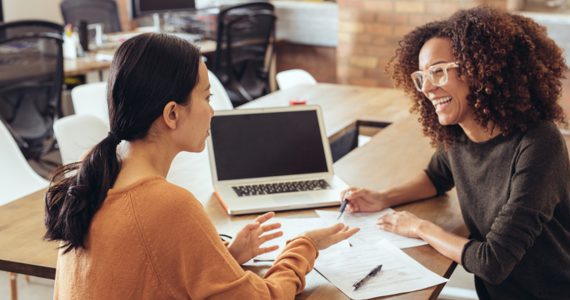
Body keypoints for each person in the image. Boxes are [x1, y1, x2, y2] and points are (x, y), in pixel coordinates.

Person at [44, 33, 358, 299]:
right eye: (206, 97)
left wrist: (225, 257)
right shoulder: (167, 205)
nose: (212, 111)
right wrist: (304, 246)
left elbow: (148, 274)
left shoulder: (93, 176)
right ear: (171, 114)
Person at [342, 7, 570, 299]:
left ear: (481, 70)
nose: (426, 88)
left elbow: (491, 262)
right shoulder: (459, 134)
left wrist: (419, 227)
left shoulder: (539, 143)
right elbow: (436, 177)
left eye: (438, 71)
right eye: (421, 76)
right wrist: (383, 197)